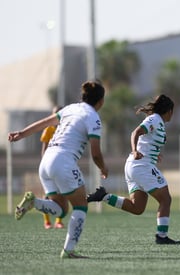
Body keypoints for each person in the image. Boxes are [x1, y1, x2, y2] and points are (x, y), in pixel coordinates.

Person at [8, 80, 109, 258]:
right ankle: (69, 251)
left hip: (46, 160)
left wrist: (21, 134)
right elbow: (96, 154)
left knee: (61, 209)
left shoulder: (70, 109)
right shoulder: (93, 116)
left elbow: (45, 123)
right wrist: (103, 168)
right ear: (100, 101)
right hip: (63, 162)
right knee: (81, 206)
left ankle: (35, 203)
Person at [87, 94, 180, 245]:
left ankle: (103, 196)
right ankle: (162, 236)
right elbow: (136, 132)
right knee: (165, 199)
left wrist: (154, 154)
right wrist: (135, 150)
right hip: (141, 165)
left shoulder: (158, 122)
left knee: (137, 208)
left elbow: (148, 141)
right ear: (169, 111)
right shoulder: (155, 119)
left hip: (135, 166)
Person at [40, 105, 64, 230]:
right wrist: (45, 163)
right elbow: (44, 149)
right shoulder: (48, 129)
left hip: (61, 165)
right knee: (48, 194)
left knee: (62, 193)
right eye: (55, 114)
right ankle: (47, 221)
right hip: (49, 165)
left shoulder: (65, 129)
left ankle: (58, 221)